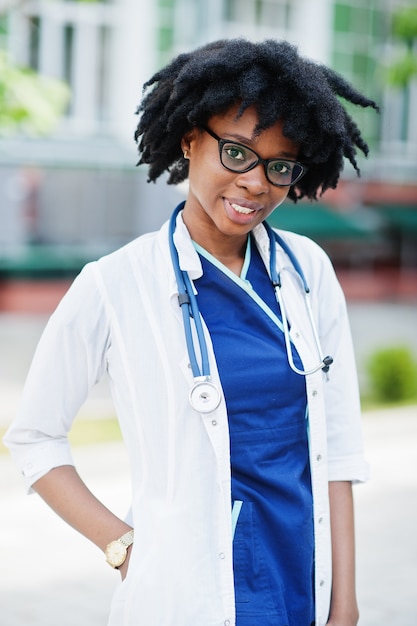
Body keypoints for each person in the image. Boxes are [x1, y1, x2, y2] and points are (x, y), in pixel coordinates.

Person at [4, 38, 378, 626]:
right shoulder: (115, 284)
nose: (256, 183)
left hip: (300, 581)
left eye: (280, 165)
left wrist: (346, 604)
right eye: (237, 153)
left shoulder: (308, 272)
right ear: (189, 139)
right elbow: (34, 438)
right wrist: (123, 547)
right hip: (183, 597)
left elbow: (339, 451)